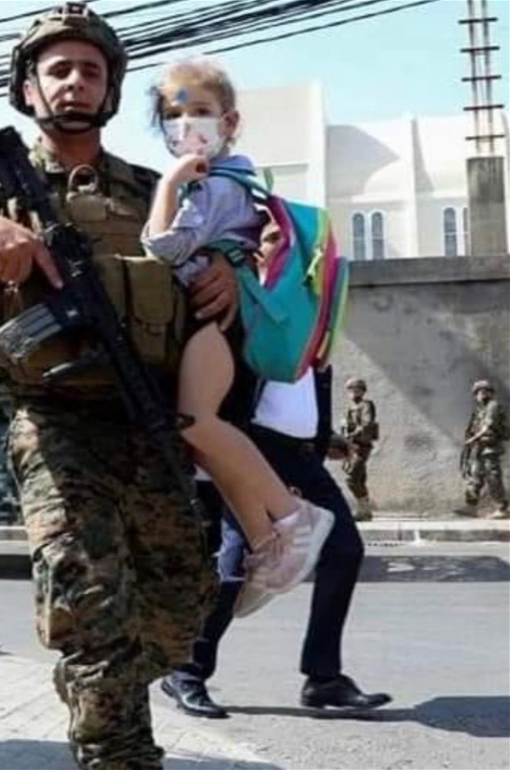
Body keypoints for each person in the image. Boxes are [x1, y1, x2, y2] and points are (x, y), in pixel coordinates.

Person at [0, 6, 241, 768]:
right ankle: (115, 744)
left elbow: (220, 260)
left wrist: (225, 271)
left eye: (91, 70)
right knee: (91, 605)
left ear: (111, 89)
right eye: (57, 69)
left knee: (180, 603)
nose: (75, 82)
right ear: (29, 89)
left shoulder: (151, 189)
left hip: (149, 419)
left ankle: (100, 688)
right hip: (54, 420)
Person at [141, 58, 334, 595]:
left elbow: (164, 248)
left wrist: (168, 184)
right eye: (172, 114)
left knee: (196, 422)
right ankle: (266, 543)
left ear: (229, 122)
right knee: (206, 442)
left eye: (199, 111)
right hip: (218, 319)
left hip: (213, 321)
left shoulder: (214, 185)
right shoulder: (227, 179)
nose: (185, 124)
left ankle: (293, 516)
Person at [161, 361, 393, 719]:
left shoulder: (318, 338)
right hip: (252, 451)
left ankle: (323, 677)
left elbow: (297, 397)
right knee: (237, 567)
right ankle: (186, 670)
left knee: (344, 551)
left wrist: (323, 436)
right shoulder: (255, 328)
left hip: (304, 457)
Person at [458, 380, 509, 518]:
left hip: (491, 448)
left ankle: (502, 508)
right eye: (479, 392)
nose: (482, 394)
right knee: (475, 476)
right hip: (480, 448)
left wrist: (472, 440)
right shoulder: (479, 410)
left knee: (493, 478)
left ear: (490, 393)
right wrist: (470, 440)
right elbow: (473, 428)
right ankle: (471, 506)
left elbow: (488, 426)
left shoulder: (493, 406)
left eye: (485, 391)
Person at [341, 377, 378, 521]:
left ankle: (364, 507)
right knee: (360, 478)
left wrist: (352, 433)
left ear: (362, 391)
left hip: (362, 446)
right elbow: (345, 426)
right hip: (351, 446)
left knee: (351, 478)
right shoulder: (349, 407)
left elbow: (367, 423)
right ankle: (365, 511)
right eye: (350, 389)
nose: (353, 392)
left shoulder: (366, 405)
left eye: (356, 389)